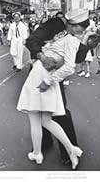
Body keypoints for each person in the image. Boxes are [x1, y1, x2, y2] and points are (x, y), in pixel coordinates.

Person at [17, 9, 93, 169]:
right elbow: (32, 40)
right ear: (69, 23)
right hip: (42, 70)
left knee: (55, 112)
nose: (76, 31)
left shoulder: (75, 37)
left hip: (52, 74)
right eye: (76, 27)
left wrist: (62, 60)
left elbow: (76, 59)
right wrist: (42, 56)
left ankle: (66, 150)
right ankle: (45, 145)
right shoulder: (53, 24)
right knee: (44, 114)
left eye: (81, 29)